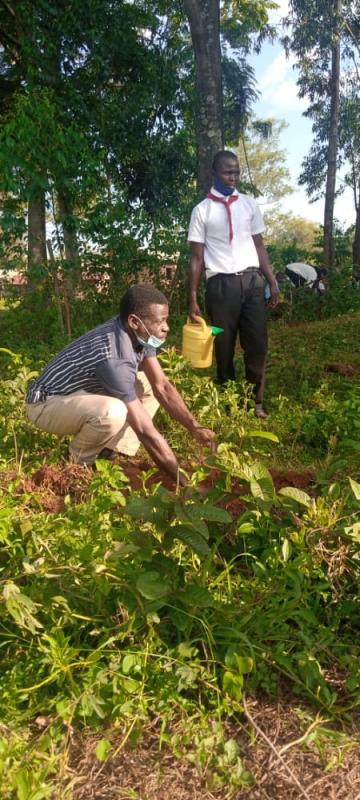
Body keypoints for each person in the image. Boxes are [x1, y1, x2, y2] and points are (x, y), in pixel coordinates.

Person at [26, 284, 215, 484]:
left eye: (166, 320)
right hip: (46, 404)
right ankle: (79, 463)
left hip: (79, 394)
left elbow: (163, 387)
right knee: (113, 411)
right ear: (134, 321)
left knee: (148, 386)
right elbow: (145, 431)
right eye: (160, 321)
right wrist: (184, 482)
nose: (166, 327)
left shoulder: (139, 334)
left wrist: (195, 427)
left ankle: (112, 451)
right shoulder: (114, 357)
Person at [188, 149, 279, 418]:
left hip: (252, 283)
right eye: (228, 172)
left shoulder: (249, 204)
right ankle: (229, 402)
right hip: (220, 288)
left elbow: (260, 246)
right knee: (223, 347)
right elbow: (196, 259)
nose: (233, 177)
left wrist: (271, 281)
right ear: (214, 173)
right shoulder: (201, 211)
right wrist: (192, 298)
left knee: (257, 344)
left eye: (237, 172)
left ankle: (256, 402)